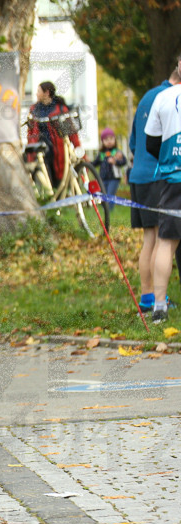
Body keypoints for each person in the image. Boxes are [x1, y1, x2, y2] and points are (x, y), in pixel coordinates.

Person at [129, 67, 181, 311]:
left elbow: (133, 142)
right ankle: (154, 299)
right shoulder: (168, 98)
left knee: (151, 238)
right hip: (156, 177)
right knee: (162, 239)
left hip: (138, 175)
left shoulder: (148, 97)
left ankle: (148, 297)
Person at [144, 54, 181, 324]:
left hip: (172, 177)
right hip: (171, 178)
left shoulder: (163, 98)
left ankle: (159, 307)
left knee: (166, 243)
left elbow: (151, 144)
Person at [27, 81, 83, 189]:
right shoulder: (34, 110)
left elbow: (72, 133)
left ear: (46, 93)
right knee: (46, 175)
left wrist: (78, 147)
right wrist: (31, 154)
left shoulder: (60, 109)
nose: (36, 94)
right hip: (42, 149)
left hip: (60, 149)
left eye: (38, 91)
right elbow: (31, 133)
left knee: (64, 173)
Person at [96, 127, 128, 219]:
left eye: (111, 139)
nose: (109, 141)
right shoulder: (101, 154)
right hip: (103, 178)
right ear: (103, 141)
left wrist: (116, 162)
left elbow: (124, 162)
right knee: (103, 195)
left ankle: (109, 214)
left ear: (114, 140)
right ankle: (104, 212)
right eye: (106, 139)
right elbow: (95, 163)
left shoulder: (117, 152)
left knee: (110, 195)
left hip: (114, 178)